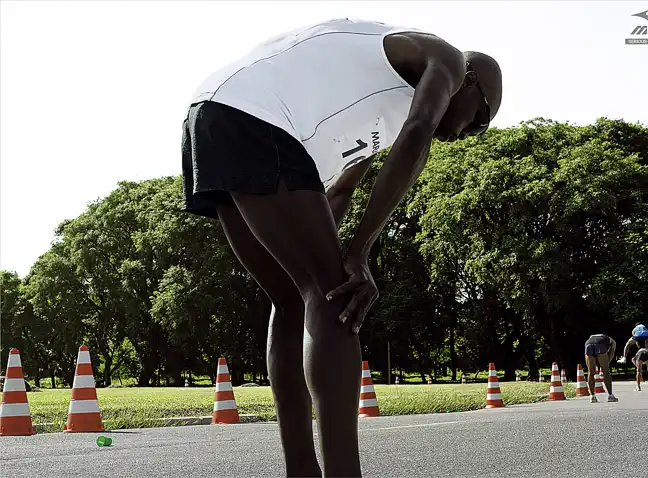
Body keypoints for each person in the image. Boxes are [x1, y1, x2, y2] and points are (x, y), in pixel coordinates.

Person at [181, 18, 502, 477]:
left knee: (293, 297)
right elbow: (419, 133)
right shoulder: (448, 59)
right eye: (478, 122)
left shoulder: (380, 108)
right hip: (259, 117)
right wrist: (357, 254)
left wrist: (333, 250)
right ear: (470, 83)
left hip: (210, 116)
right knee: (335, 295)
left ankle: (302, 471)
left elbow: (341, 190)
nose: (465, 135)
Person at [584, 334, 619, 403]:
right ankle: (610, 396)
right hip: (600, 344)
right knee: (606, 371)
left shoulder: (592, 337)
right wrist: (607, 362)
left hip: (588, 344)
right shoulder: (612, 341)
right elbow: (612, 352)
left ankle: (592, 396)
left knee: (591, 372)